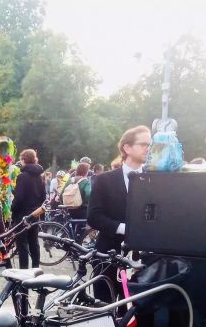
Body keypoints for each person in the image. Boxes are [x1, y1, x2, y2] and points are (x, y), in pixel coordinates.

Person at [87, 125, 151, 304]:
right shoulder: (104, 180)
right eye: (143, 144)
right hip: (108, 255)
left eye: (149, 144)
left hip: (143, 259)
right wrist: (124, 229)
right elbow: (93, 216)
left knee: (138, 312)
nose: (148, 148)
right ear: (127, 148)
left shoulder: (154, 179)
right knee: (105, 309)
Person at [10, 148, 45, 269]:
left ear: (24, 159)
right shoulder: (40, 176)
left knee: (22, 244)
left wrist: (12, 208)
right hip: (35, 213)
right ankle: (36, 270)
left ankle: (23, 274)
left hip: (22, 215)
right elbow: (43, 196)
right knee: (34, 243)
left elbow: (19, 198)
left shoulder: (23, 176)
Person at [62, 162, 92, 239]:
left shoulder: (70, 180)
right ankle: (78, 244)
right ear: (86, 171)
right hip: (81, 209)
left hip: (69, 208)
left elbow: (61, 194)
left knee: (70, 226)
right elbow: (89, 195)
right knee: (81, 227)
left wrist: (65, 204)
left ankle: (68, 241)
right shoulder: (85, 182)